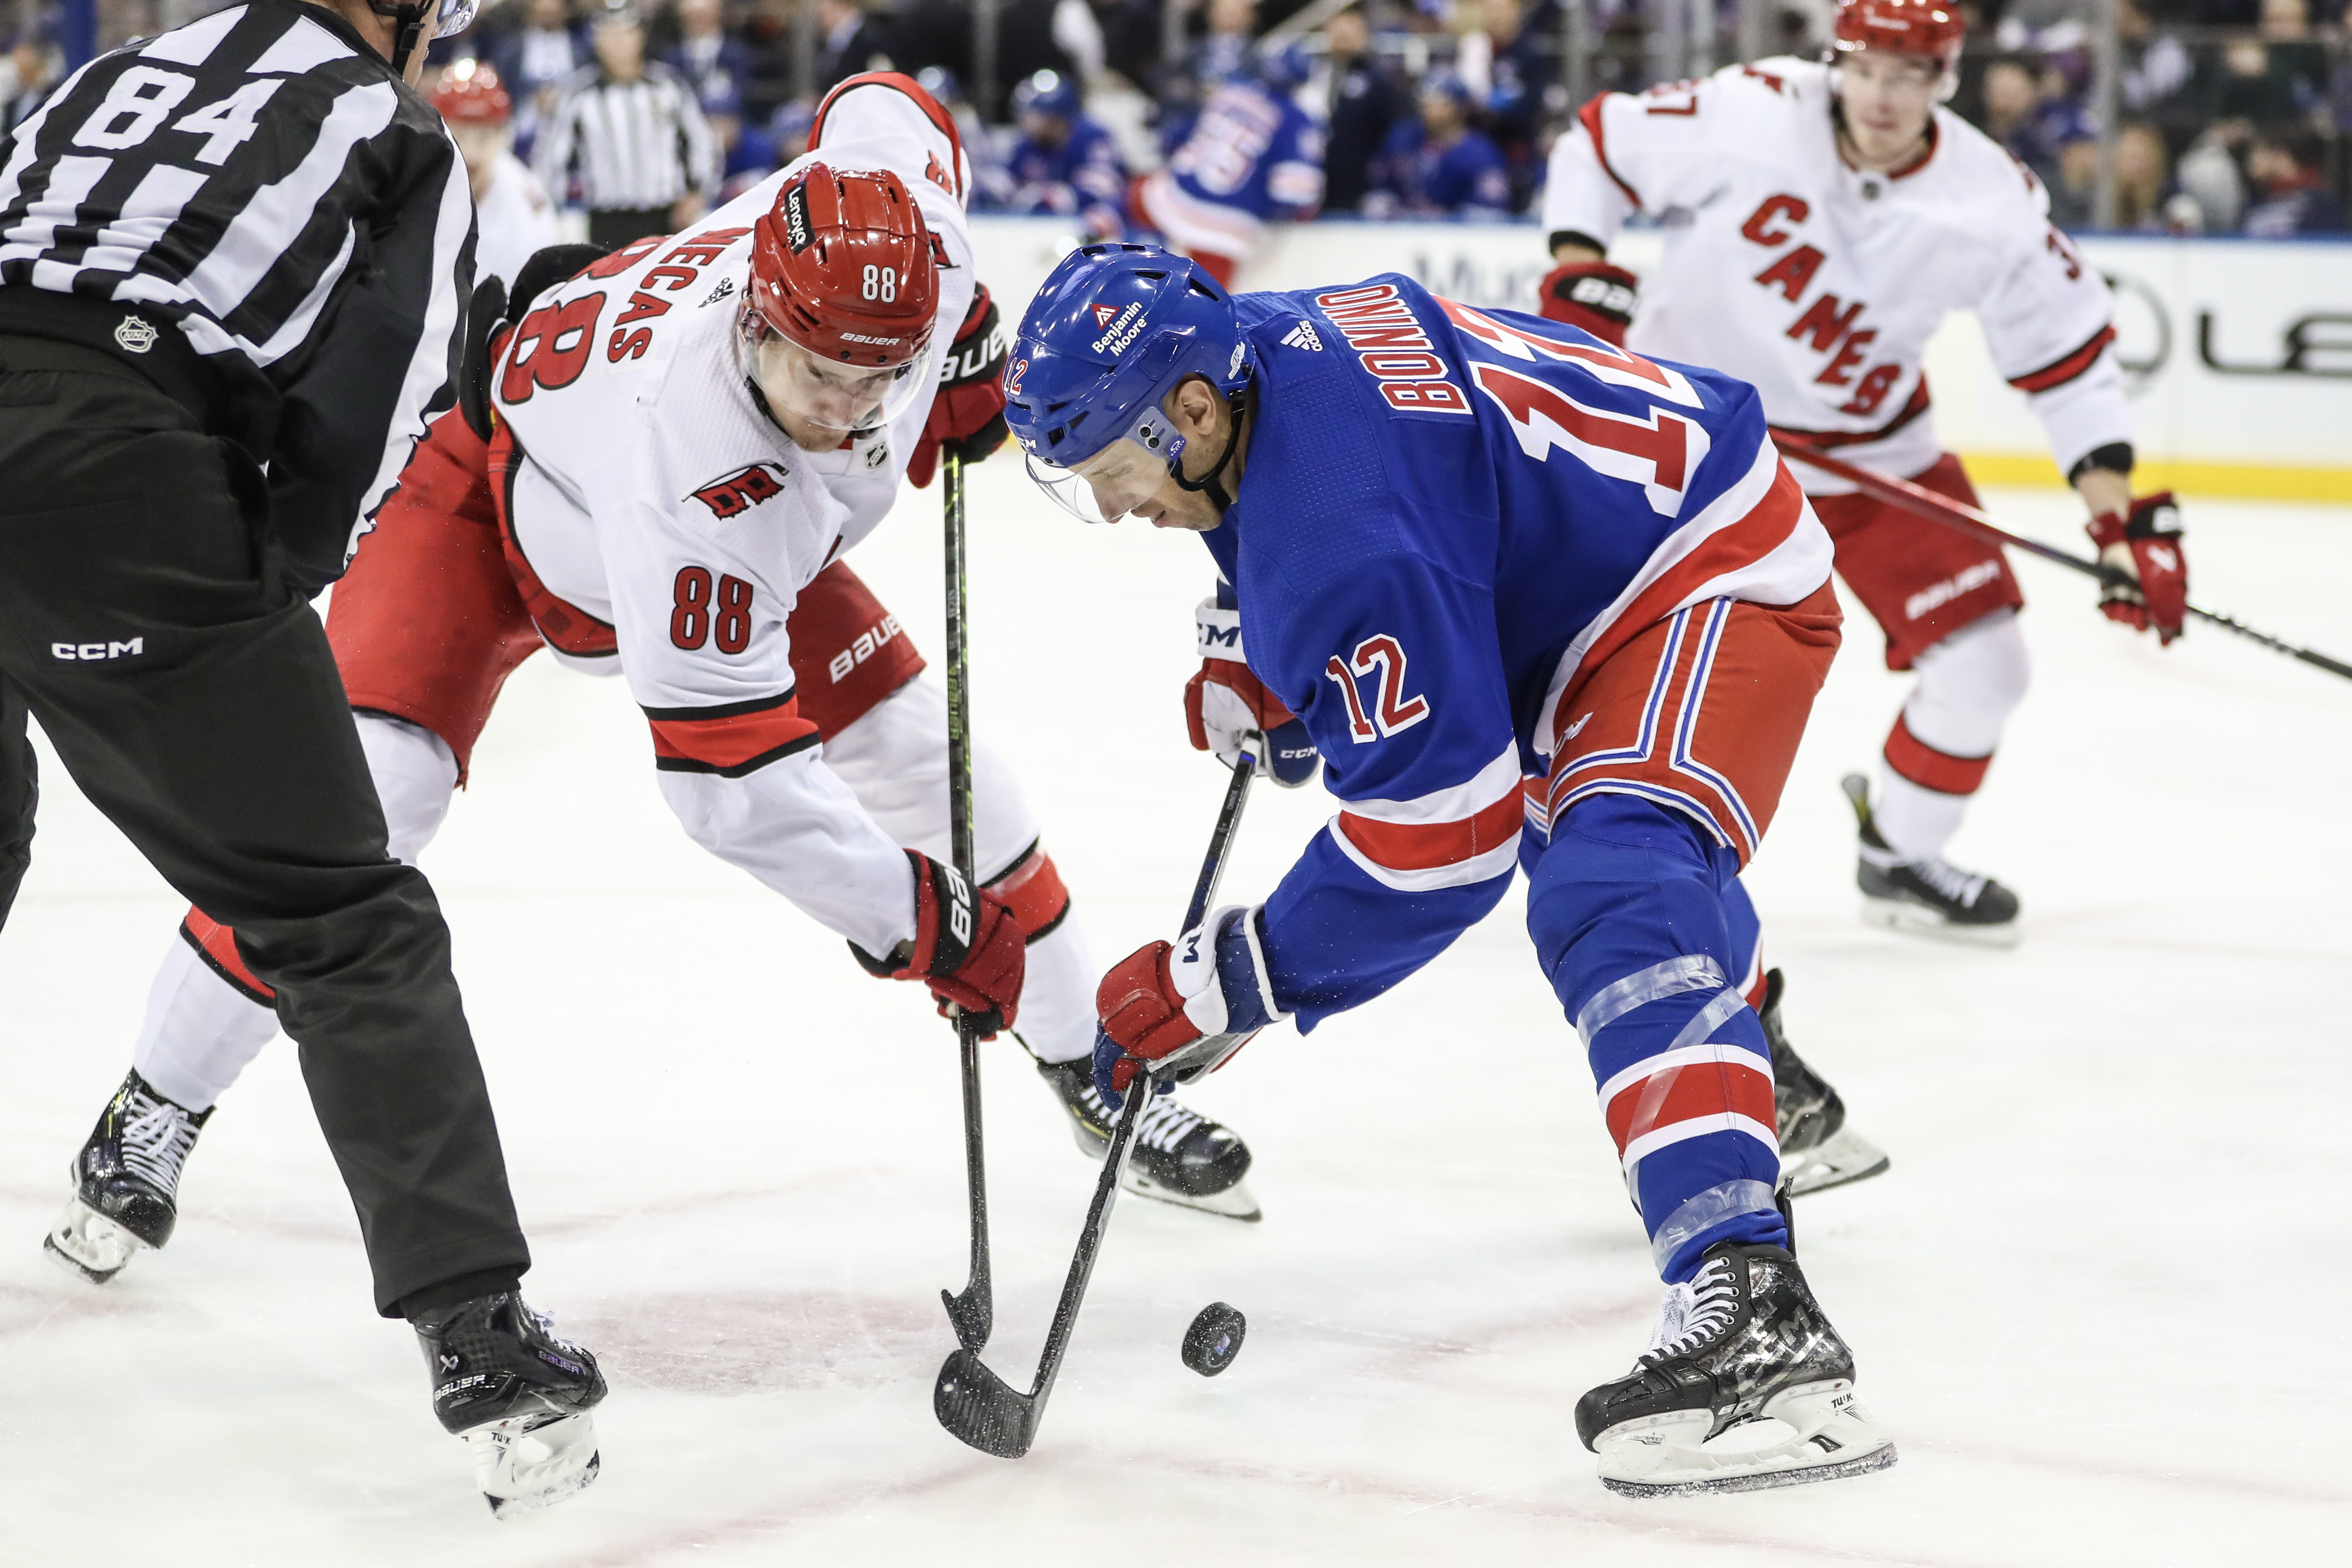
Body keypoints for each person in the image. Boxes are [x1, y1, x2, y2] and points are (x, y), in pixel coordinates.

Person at [45, 73, 1263, 1298]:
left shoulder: (907, 242)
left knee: (926, 757)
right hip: (490, 510)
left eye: (880, 377)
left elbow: (886, 99)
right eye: (824, 376)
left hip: (712, 519)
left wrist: (961, 349)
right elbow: (729, 792)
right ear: (756, 325)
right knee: (363, 812)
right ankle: (157, 1099)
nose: (851, 412)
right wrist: (919, 924)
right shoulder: (699, 471)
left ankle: (1092, 1071)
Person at [1003, 241, 1893, 1496]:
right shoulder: (1250, 346)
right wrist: (1250, 639)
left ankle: (1755, 1310)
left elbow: (1443, 843)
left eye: (1111, 468)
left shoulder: (1342, 541)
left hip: (1701, 572)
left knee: (1611, 879)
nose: (1107, 505)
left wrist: (1230, 982)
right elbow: (1309, 490)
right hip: (1576, 562)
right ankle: (1753, 1073)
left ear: (1190, 411)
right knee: (1605, 870)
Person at [0, 0, 605, 1516]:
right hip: (114, 464)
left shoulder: (109, 68)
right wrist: (258, 586)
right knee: (343, 918)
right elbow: (375, 408)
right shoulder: (395, 138)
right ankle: (484, 1341)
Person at [1539, 0, 2190, 943]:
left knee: (1987, 664)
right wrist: (1580, 268)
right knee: (1578, 641)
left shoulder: (1989, 199)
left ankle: (1900, 852)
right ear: (1835, 62)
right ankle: (1523, 815)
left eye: (1909, 76)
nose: (1882, 97)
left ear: (1945, 79)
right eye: (1867, 69)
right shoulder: (1754, 108)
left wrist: (2117, 521)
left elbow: (2070, 363)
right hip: (1696, 438)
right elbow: (1594, 147)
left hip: (1870, 452)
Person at [1132, 48, 1324, 287]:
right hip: (1225, 226)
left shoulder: (1232, 92)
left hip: (1171, 196)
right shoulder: (1298, 120)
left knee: (1131, 213)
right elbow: (1294, 195)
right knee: (1204, 307)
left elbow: (1177, 137)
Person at [536, 0, 719, 246]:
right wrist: (554, 210)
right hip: (606, 218)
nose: (618, 44)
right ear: (597, 41)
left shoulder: (669, 87)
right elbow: (551, 157)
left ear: (639, 37)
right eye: (609, 35)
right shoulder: (579, 94)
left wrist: (698, 193)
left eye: (624, 33)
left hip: (663, 213)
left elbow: (702, 142)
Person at [432, 59, 562, 294]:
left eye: (483, 137)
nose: (470, 153)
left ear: (504, 137)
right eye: (459, 135)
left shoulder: (526, 197)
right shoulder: (412, 184)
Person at [991, 68, 1128, 241]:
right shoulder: (1027, 144)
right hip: (1044, 229)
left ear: (1056, 117)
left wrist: (1057, 196)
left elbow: (1105, 189)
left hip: (1089, 229)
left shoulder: (1090, 137)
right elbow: (1005, 183)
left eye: (1034, 115)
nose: (1026, 121)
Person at [1367, 71, 1513, 218]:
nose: (1428, 109)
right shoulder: (1403, 138)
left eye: (1438, 103)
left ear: (1460, 108)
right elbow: (1379, 189)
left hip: (1453, 236)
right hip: (1401, 231)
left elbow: (1490, 212)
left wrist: (1446, 219)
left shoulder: (1480, 153)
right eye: (1425, 102)